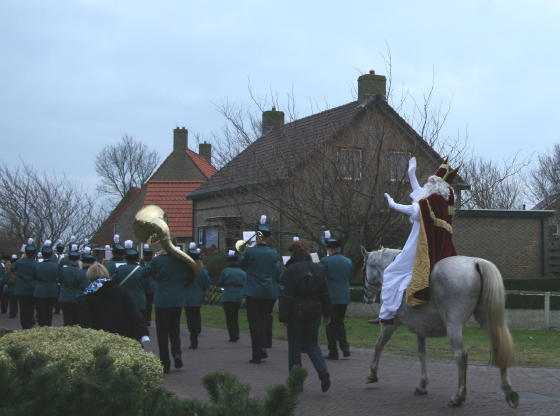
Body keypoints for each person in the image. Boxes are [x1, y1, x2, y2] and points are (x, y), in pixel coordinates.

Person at [380, 156, 458, 323]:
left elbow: (415, 210)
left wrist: (394, 205)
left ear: (436, 185)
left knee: (391, 272)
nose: (427, 183)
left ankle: (388, 313)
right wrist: (411, 174)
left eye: (430, 182)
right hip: (440, 247)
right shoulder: (444, 201)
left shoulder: (432, 200)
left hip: (420, 244)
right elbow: (420, 195)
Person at [279, 240, 332, 392]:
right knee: (312, 344)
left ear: (293, 253)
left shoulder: (290, 270)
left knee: (294, 347)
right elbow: (325, 293)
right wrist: (327, 313)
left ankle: (296, 383)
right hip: (315, 310)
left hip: (296, 312)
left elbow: (286, 296)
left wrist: (283, 317)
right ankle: (323, 371)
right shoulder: (318, 269)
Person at [238, 215, 282, 364]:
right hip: (269, 291)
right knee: (265, 319)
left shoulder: (250, 252)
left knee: (254, 322)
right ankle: (264, 346)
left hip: (253, 291)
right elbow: (278, 273)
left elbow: (241, 264)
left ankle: (257, 352)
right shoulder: (274, 253)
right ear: (267, 237)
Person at [145, 244, 195, 373]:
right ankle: (177, 354)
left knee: (162, 332)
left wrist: (155, 277)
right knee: (174, 329)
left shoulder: (158, 260)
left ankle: (165, 363)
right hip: (177, 300)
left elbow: (145, 273)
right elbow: (192, 275)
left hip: (162, 300)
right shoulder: (182, 260)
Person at [80, 263, 149, 344]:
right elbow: (133, 311)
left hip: (97, 333)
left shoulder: (88, 293)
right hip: (120, 331)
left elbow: (85, 318)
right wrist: (143, 332)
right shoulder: (120, 290)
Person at [320, 231, 353, 360]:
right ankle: (345, 347)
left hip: (330, 297)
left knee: (329, 324)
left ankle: (333, 351)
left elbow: (321, 278)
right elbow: (349, 277)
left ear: (330, 249)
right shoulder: (348, 261)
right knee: (339, 322)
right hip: (344, 296)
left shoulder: (325, 261)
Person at [183, 243, 210, 349]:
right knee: (196, 314)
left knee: (190, 317)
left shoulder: (185, 270)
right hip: (198, 297)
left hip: (187, 297)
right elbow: (206, 285)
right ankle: (196, 331)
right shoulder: (202, 271)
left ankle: (193, 336)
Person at [113, 241, 149, 321]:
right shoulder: (143, 271)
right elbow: (147, 287)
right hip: (139, 303)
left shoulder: (120, 269)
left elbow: (114, 284)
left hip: (124, 302)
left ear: (125, 258)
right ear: (137, 259)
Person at [217, 250, 247, 342]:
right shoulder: (242, 272)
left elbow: (219, 283)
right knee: (235, 315)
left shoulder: (226, 271)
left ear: (229, 262)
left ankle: (232, 335)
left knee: (229, 317)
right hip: (238, 296)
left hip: (228, 296)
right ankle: (237, 333)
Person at [11, 238, 38, 329]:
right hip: (32, 287)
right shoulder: (36, 263)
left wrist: (21, 258)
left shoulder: (19, 262)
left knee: (23, 308)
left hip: (21, 288)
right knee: (31, 307)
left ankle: (24, 324)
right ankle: (30, 322)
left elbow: (12, 269)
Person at [33, 240, 62, 326]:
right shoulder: (56, 266)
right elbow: (60, 277)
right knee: (49, 310)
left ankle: (41, 324)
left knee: (40, 310)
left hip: (40, 290)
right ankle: (48, 325)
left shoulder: (37, 265)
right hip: (52, 290)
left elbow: (33, 276)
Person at [58, 244, 83, 325]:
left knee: (67, 319)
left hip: (65, 295)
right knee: (77, 319)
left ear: (69, 259)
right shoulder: (81, 271)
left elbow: (60, 281)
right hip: (78, 296)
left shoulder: (64, 270)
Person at [142, 244, 155, 326]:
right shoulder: (142, 263)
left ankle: (147, 319)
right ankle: (146, 319)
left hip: (149, 287)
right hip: (148, 287)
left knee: (148, 304)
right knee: (148, 304)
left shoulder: (143, 263)